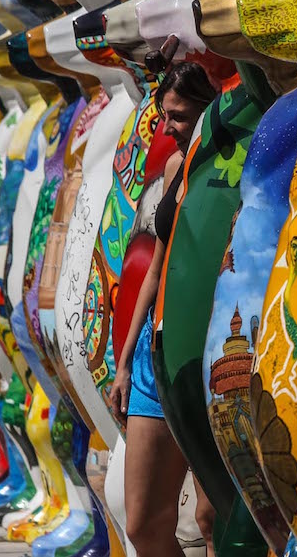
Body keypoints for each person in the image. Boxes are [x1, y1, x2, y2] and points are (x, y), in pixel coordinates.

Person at [108, 61, 219, 557]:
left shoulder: (227, 165)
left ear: (207, 106)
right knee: (142, 523)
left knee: (212, 518)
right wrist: (126, 362)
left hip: (213, 355)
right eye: (163, 115)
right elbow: (156, 267)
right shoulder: (175, 167)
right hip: (157, 358)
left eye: (178, 116)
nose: (166, 127)